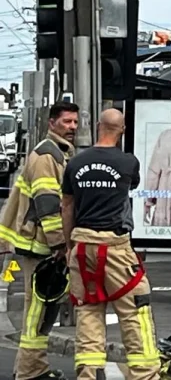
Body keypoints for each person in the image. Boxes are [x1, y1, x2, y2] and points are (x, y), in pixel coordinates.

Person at [63, 109, 160, 380]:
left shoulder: (75, 163)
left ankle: (88, 373)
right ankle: (144, 374)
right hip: (115, 245)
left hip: (82, 245)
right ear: (123, 130)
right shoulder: (128, 163)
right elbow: (131, 187)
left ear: (97, 126)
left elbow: (67, 206)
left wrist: (69, 245)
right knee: (134, 309)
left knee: (89, 312)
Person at [0, 101, 79, 380]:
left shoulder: (58, 153)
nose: (72, 127)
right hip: (41, 245)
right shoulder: (47, 155)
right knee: (38, 310)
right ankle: (30, 371)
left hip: (43, 243)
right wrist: (60, 244)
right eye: (67, 121)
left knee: (43, 309)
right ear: (52, 123)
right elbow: (47, 203)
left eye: (74, 122)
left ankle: (30, 367)